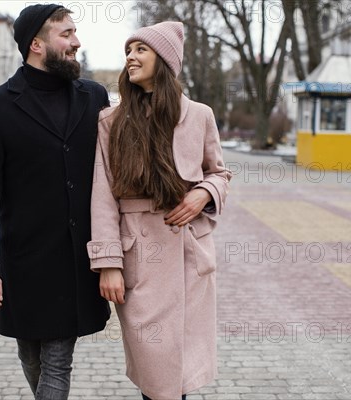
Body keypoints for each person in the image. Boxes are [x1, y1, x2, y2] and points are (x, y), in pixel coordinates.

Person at [0, 4, 110, 399]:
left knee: (58, 361)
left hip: (79, 261)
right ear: (36, 45)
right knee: (31, 355)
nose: (76, 42)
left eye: (75, 32)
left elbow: (118, 171)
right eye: (66, 34)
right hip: (25, 263)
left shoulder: (94, 97)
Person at [87, 21, 232, 400]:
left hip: (189, 255)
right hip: (140, 259)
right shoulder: (111, 121)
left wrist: (203, 194)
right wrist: (108, 264)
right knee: (155, 369)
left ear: (164, 59)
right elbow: (102, 196)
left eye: (140, 50)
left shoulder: (199, 115)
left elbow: (219, 173)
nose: (130, 58)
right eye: (128, 51)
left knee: (180, 371)